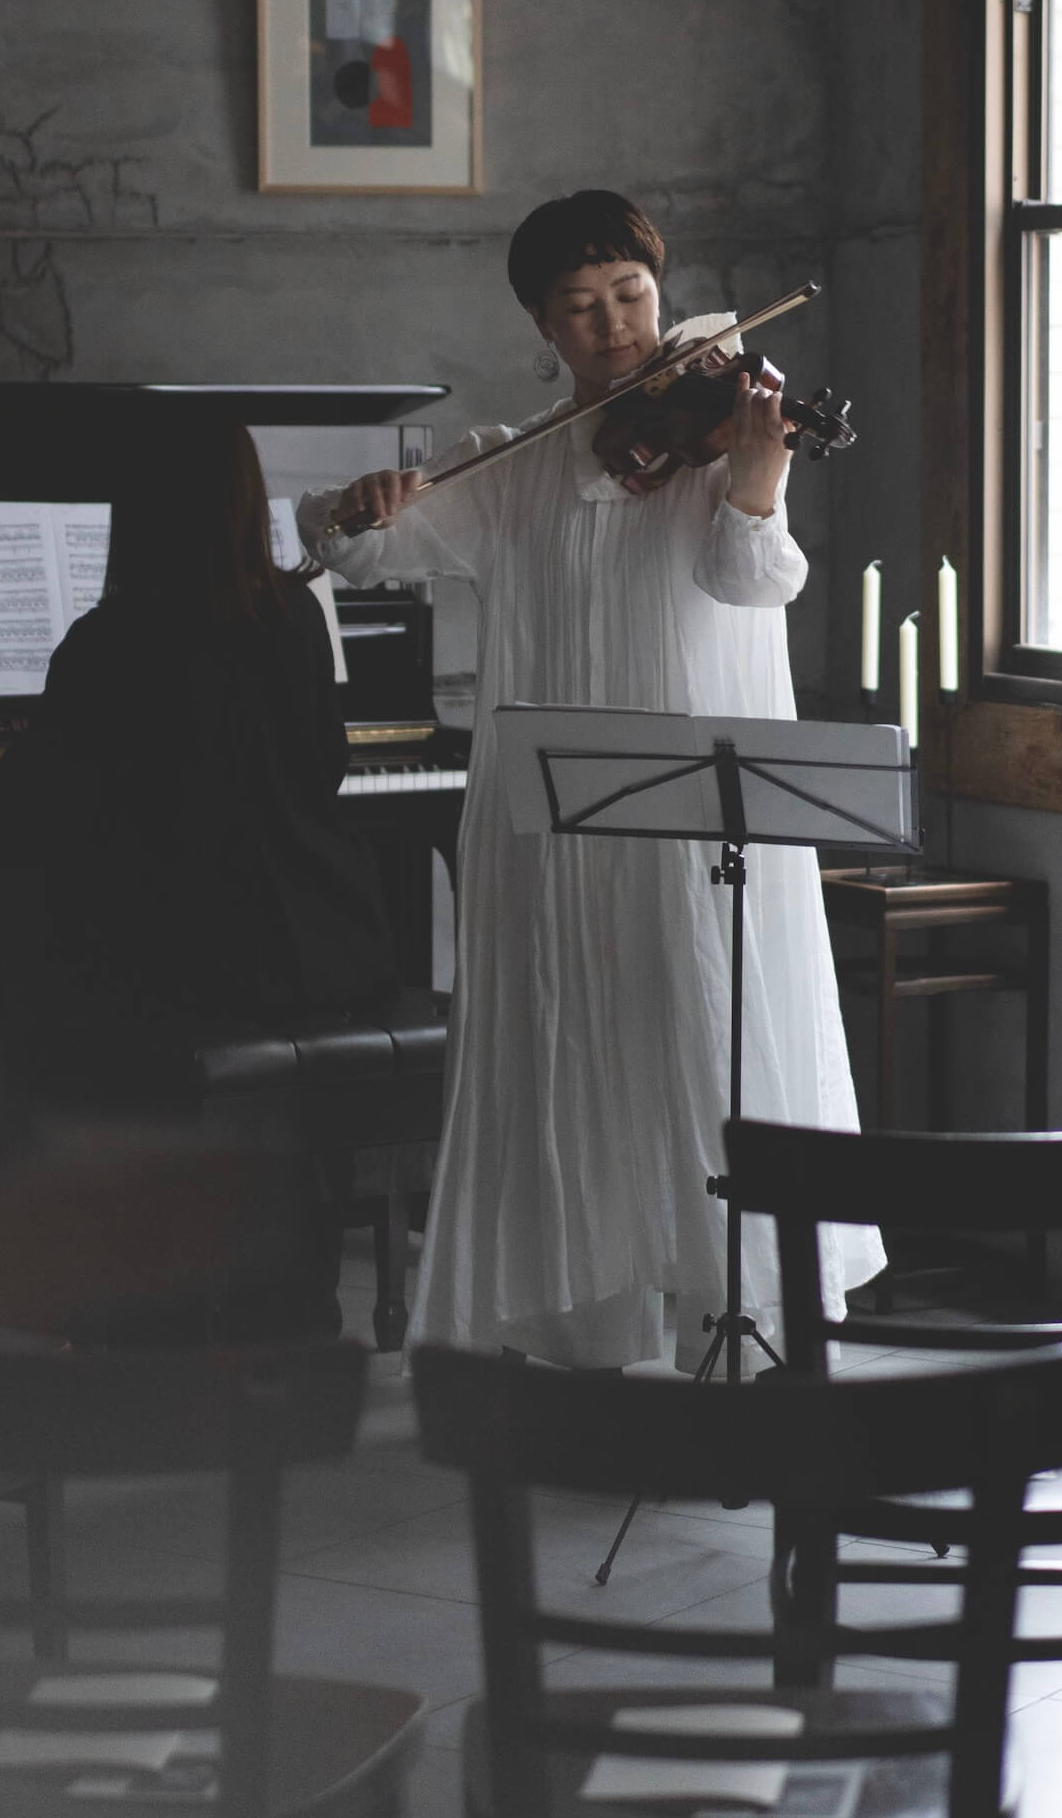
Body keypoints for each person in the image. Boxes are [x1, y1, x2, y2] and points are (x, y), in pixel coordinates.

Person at [298, 191, 884, 1369]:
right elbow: (352, 547)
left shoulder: (719, 431)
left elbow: (750, 582)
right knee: (578, 1052)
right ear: (542, 325)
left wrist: (758, 476)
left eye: (631, 294)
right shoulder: (512, 467)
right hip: (564, 826)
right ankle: (586, 1339)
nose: (616, 325)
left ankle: (735, 1320)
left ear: (660, 292)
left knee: (703, 1036)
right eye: (580, 306)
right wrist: (356, 506)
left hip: (700, 816)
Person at [0, 424, 396, 1084]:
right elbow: (326, 765)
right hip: (331, 947)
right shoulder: (298, 614)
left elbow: (32, 805)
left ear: (139, 512)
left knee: (23, 957)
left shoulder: (110, 641)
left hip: (194, 974)